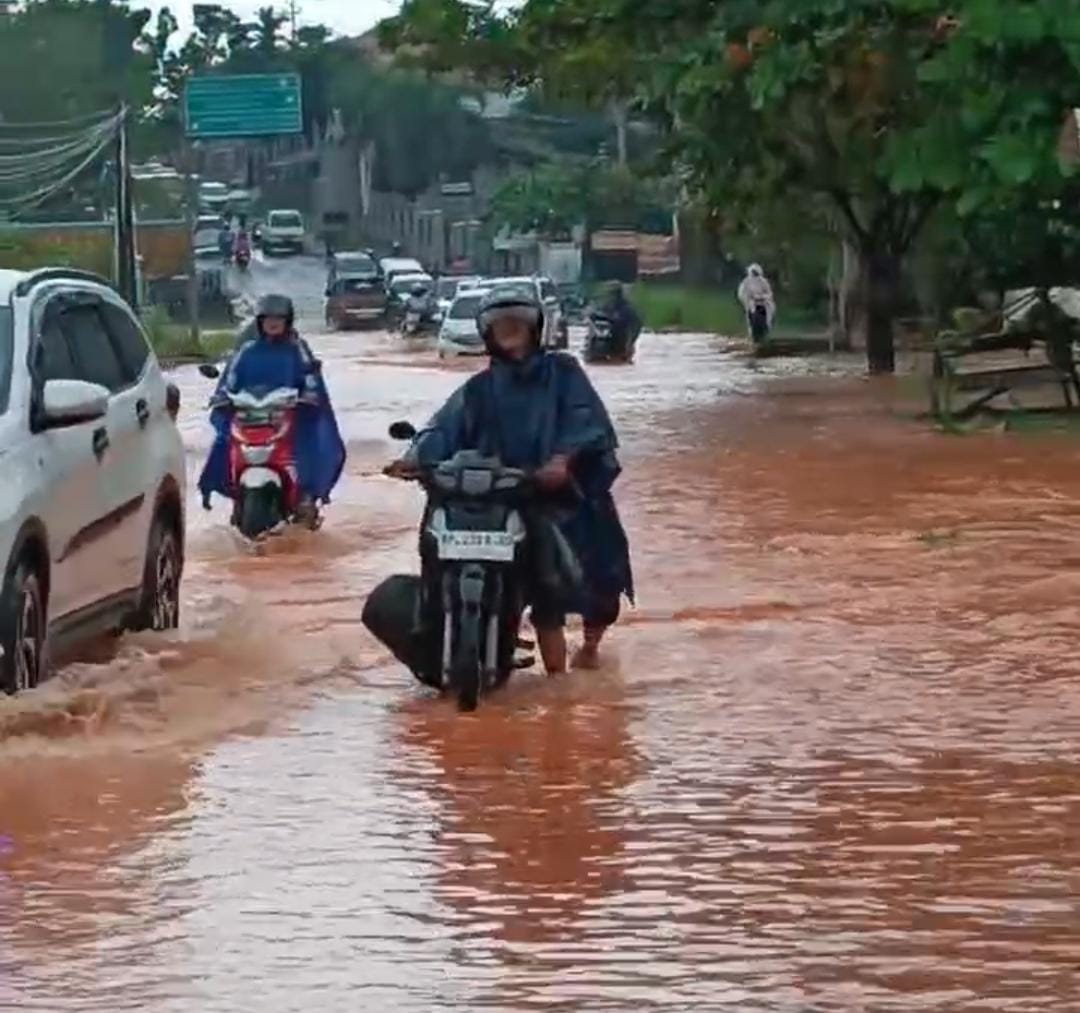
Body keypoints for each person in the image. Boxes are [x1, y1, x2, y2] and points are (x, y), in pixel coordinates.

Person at [386, 288, 633, 673]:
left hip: (563, 496)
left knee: (593, 580)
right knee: (539, 596)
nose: (509, 330)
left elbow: (585, 418)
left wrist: (562, 460)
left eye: (517, 323)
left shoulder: (563, 371)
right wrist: (414, 458)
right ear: (488, 334)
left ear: (535, 328)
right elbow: (444, 427)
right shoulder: (479, 389)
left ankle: (587, 651)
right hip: (500, 494)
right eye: (501, 325)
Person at [198, 294, 346, 519]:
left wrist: (309, 395)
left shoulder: (298, 349)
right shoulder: (247, 351)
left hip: (289, 416)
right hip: (250, 417)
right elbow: (230, 379)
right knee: (223, 441)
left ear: (288, 321)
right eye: (268, 318)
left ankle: (306, 493)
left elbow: (310, 376)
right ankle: (223, 486)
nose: (273, 323)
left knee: (308, 441)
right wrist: (221, 398)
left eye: (279, 318)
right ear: (259, 321)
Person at [599, 282, 643, 361]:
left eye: (610, 294)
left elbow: (637, 326)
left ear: (616, 294)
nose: (607, 297)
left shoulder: (627, 309)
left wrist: (631, 342)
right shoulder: (607, 307)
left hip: (622, 343)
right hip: (608, 343)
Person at [737, 263, 775, 337]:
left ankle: (765, 332)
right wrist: (749, 299)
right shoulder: (746, 282)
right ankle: (754, 334)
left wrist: (762, 297)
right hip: (752, 305)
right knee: (752, 321)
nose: (755, 274)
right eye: (753, 272)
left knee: (765, 322)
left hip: (763, 305)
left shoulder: (763, 281)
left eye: (756, 272)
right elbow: (742, 294)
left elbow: (769, 293)